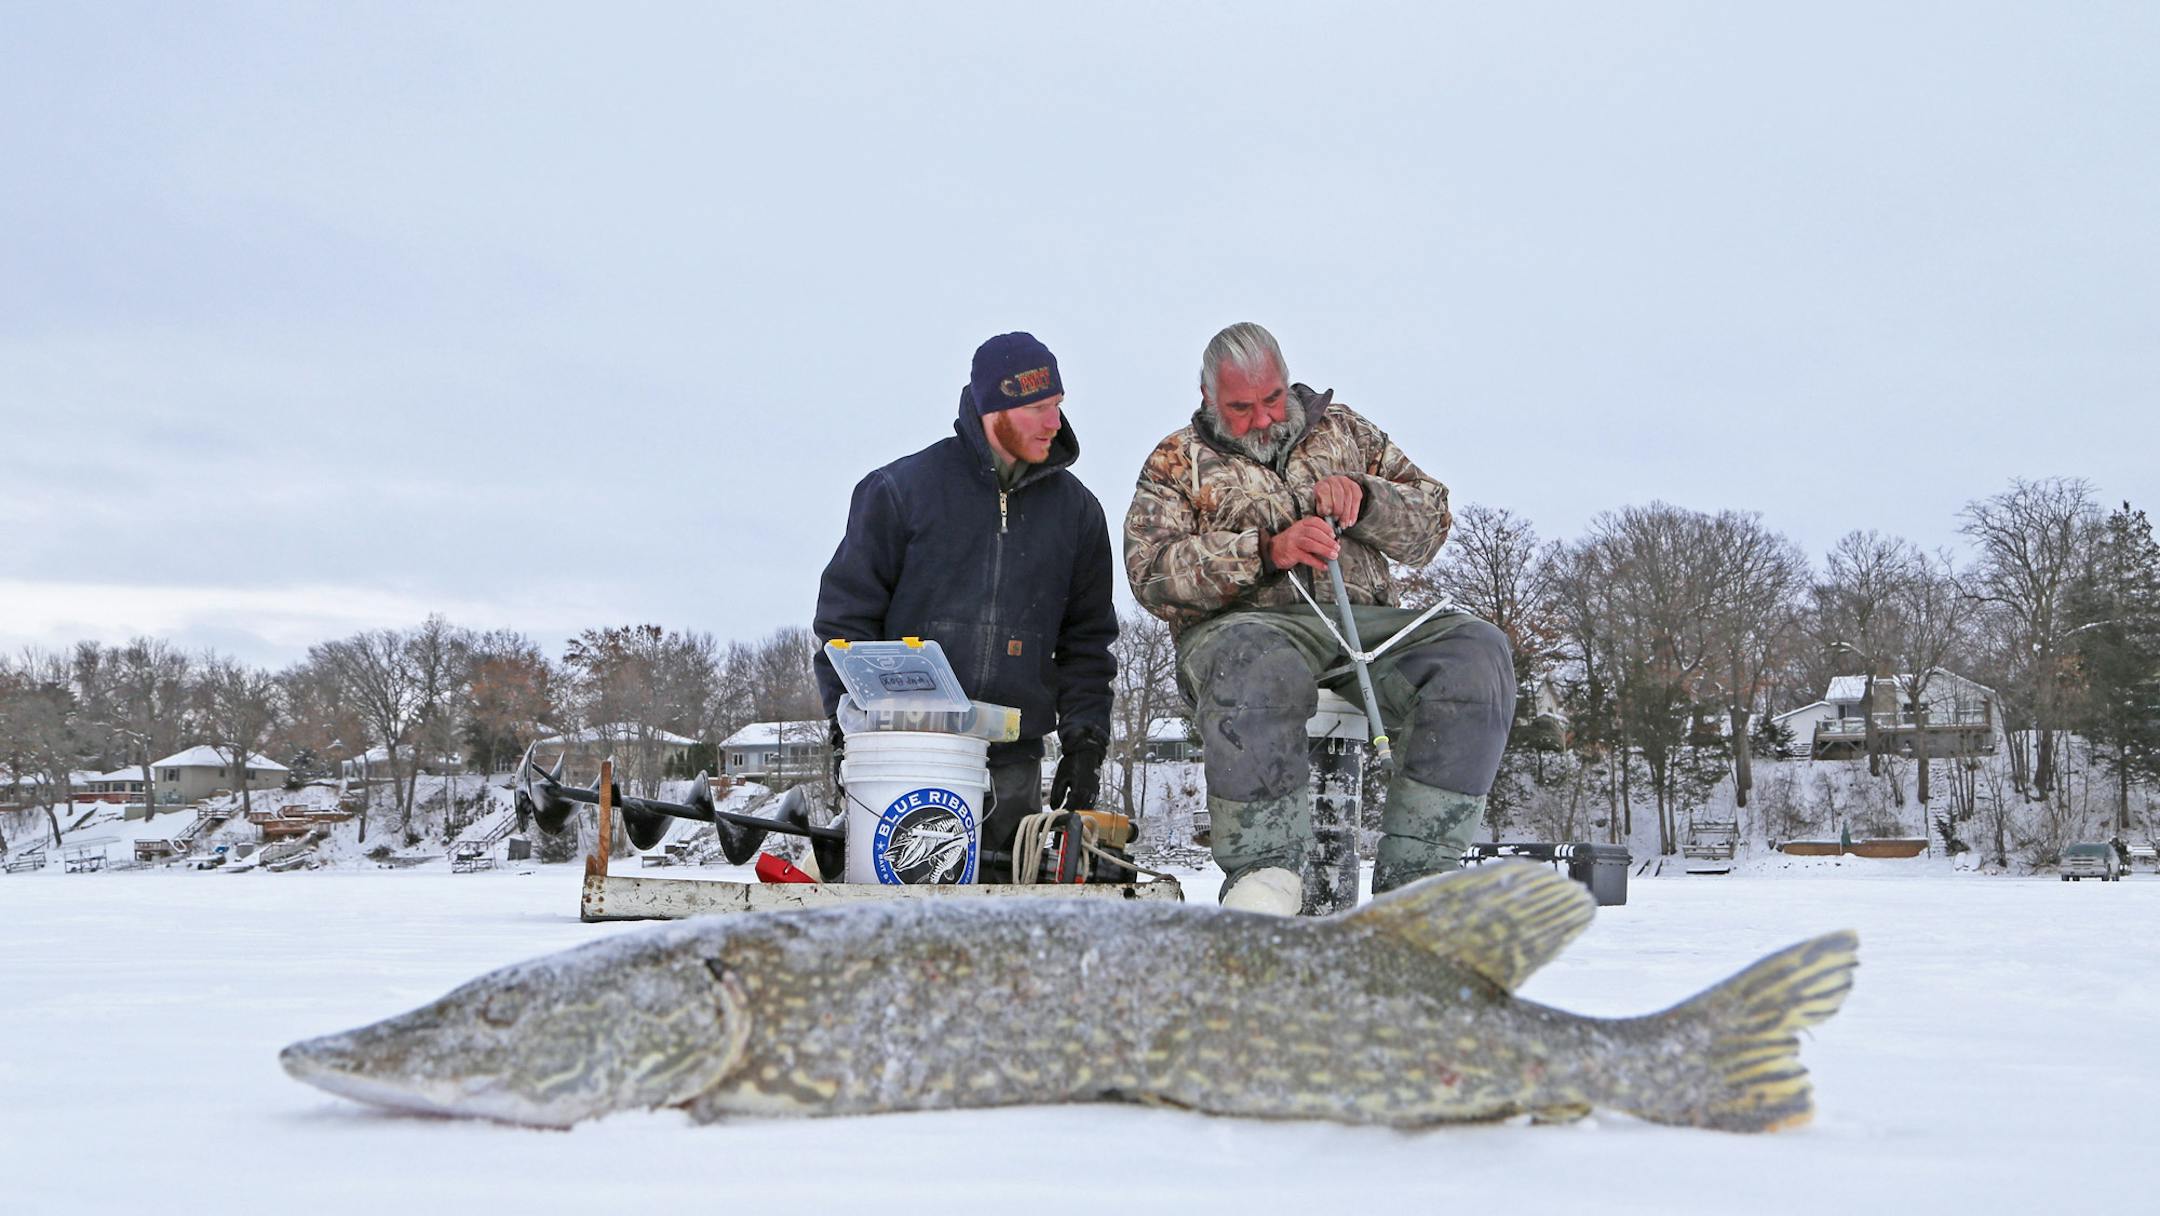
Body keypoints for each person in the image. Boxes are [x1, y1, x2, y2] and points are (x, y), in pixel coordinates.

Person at [1123, 322, 1514, 914]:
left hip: (1366, 627)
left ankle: (1419, 886)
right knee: (1258, 663)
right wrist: (1264, 551)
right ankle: (1266, 879)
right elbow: (1151, 575)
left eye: (1272, 399)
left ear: (1286, 380)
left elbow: (1433, 522)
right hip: (1247, 629)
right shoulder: (1175, 461)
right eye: (1241, 407)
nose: (1262, 418)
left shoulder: (1346, 430)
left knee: (1476, 654)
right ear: (1207, 396)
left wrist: (1368, 497)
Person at [813, 332, 1117, 880]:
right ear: (992, 408)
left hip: (1013, 765)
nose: (1055, 422)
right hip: (903, 758)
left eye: (1058, 406)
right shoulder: (900, 492)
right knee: (899, 919)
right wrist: (846, 732)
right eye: (1038, 408)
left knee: (998, 934)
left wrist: (1085, 742)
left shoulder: (1078, 515)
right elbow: (844, 625)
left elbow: (1087, 644)